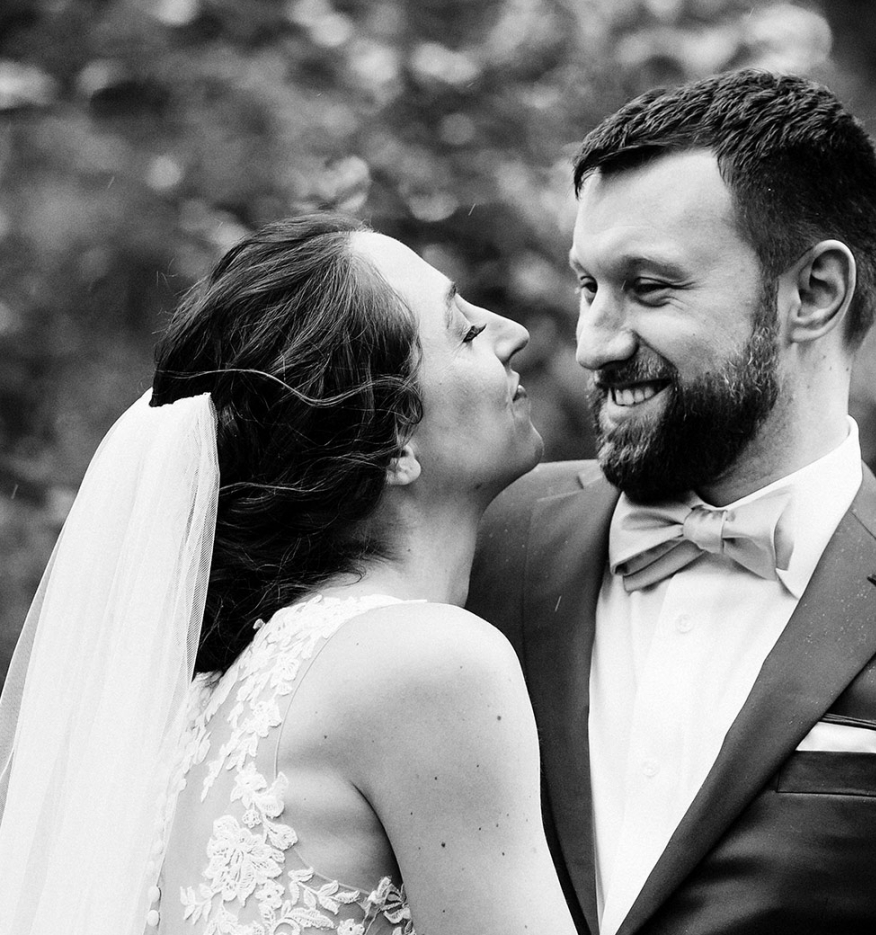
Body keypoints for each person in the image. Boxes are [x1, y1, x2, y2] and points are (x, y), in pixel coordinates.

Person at [467, 69, 876, 935]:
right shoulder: (492, 533)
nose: (594, 343)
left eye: (649, 289)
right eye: (589, 287)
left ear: (814, 292)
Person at [0, 214, 576, 934]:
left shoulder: (214, 697)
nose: (512, 333)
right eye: (463, 330)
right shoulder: (428, 664)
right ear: (394, 436)